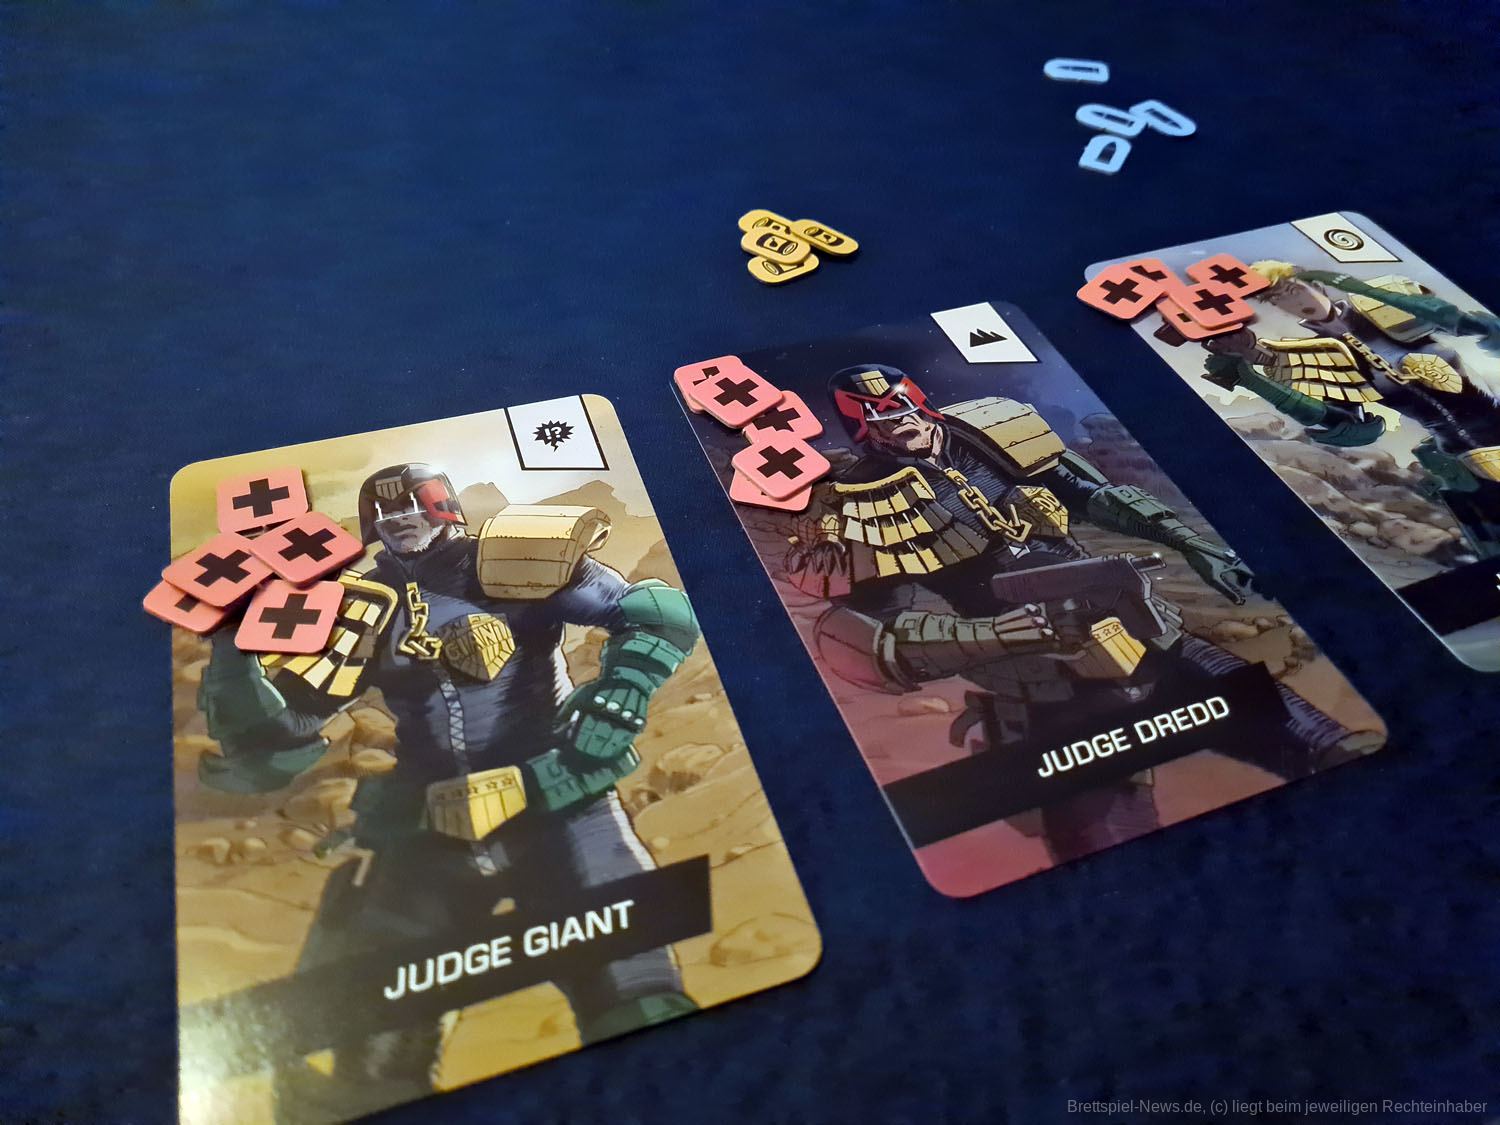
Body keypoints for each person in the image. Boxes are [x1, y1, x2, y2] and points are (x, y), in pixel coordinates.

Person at [195, 462, 700, 1119]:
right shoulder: (358, 603)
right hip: (428, 827)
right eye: (384, 510)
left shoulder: (515, 557)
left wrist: (621, 691)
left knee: (640, 999)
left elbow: (657, 613)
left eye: (413, 503)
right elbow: (284, 728)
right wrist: (232, 653)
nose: (399, 518)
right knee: (369, 1061)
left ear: (444, 505)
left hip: (559, 803)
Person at [789, 366, 1369, 863]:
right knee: (1111, 853)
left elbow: (1093, 495)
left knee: (1334, 748)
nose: (898, 422)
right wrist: (991, 634)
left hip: (1144, 634)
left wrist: (1190, 542)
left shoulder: (989, 433)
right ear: (861, 427)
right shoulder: (855, 501)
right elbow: (856, 638)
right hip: (1047, 686)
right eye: (879, 417)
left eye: (902, 406)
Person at [1190, 262, 1500, 556]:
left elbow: (1483, 328)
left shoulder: (1386, 303)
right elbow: (1351, 428)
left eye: (1294, 289)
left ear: (1316, 286)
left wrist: (1360, 288)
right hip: (1467, 456)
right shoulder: (1310, 357)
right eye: (1277, 299)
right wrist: (1252, 378)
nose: (1292, 301)